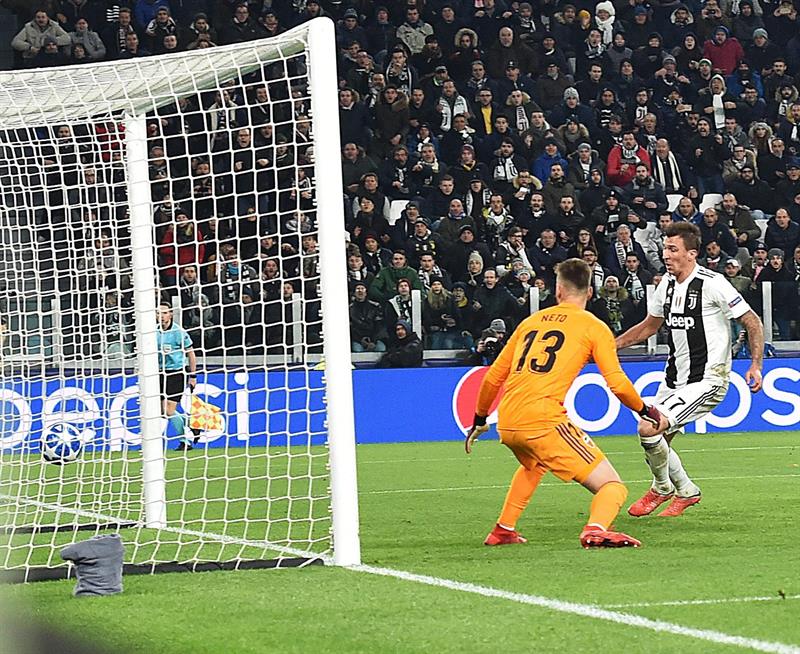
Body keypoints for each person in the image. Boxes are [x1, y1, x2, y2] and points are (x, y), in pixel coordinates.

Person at [465, 258, 662, 549]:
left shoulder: (530, 322)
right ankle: (595, 529)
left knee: (533, 465)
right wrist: (645, 410)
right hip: (542, 421)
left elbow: (493, 377)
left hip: (507, 420)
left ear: (557, 291)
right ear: (591, 293)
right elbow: (618, 383)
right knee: (612, 486)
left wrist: (480, 420)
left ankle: (503, 529)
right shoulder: (593, 327)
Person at [615, 222, 765, 517]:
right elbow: (648, 326)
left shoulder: (712, 283)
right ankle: (686, 491)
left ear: (692, 254)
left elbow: (752, 321)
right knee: (656, 442)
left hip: (708, 379)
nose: (666, 255)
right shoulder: (665, 286)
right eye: (665, 248)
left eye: (673, 249)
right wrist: (609, 346)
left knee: (648, 427)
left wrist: (756, 365)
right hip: (673, 380)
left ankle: (662, 488)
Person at [157, 302, 198, 451]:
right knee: (162, 411)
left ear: (171, 314)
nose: (161, 316)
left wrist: (192, 375)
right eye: (159, 313)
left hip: (176, 374)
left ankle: (185, 438)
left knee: (168, 411)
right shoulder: (153, 332)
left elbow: (191, 354)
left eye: (165, 313)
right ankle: (190, 426)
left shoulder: (179, 332)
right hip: (159, 374)